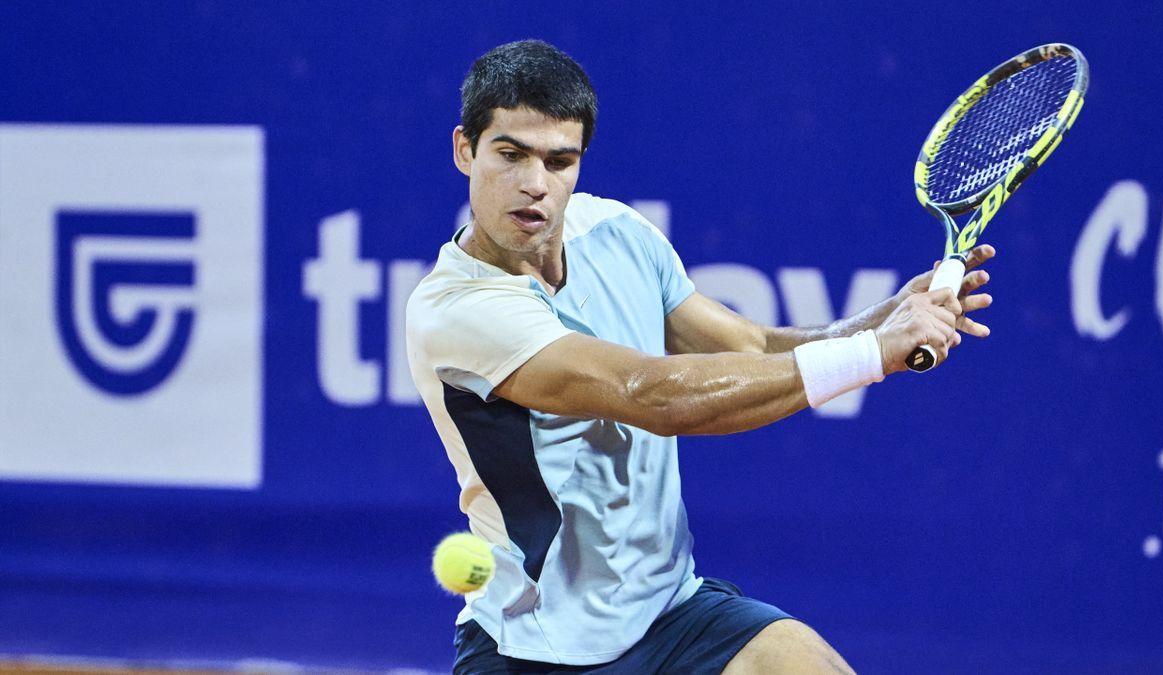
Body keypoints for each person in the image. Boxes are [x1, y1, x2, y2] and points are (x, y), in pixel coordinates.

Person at [407, 40, 994, 674]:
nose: (535, 185)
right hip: (535, 644)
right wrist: (873, 353)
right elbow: (652, 395)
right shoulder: (455, 309)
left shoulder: (618, 233)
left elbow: (752, 346)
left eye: (560, 161)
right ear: (465, 149)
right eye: (511, 154)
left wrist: (881, 320)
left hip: (672, 612)